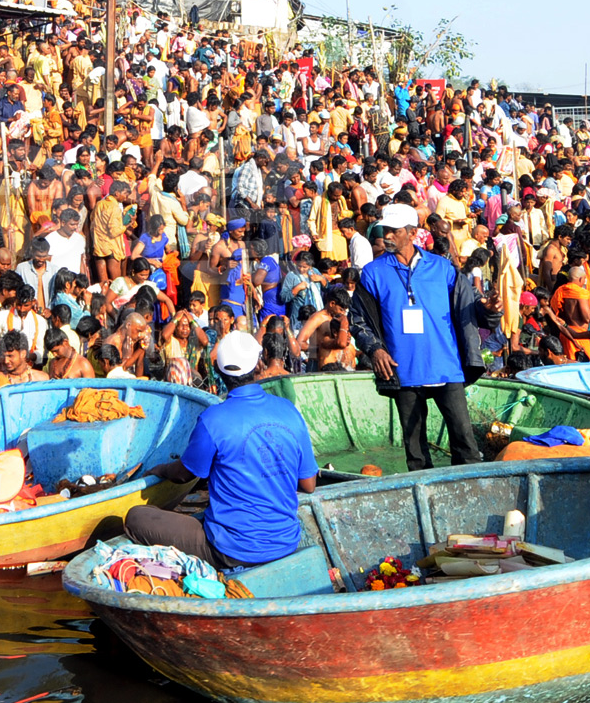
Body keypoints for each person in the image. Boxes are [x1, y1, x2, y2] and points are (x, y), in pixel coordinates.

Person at [124, 331, 318, 568]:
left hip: (231, 550)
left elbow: (184, 474)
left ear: (217, 368)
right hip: (286, 542)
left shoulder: (213, 419)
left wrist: (161, 470)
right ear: (259, 364)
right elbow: (308, 484)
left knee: (136, 517)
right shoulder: (289, 410)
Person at [350, 203, 502, 471]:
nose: (387, 235)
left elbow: (470, 304)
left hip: (446, 366)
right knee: (416, 453)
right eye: (385, 230)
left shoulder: (442, 268)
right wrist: (375, 349)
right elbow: (357, 320)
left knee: (465, 445)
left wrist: (487, 309)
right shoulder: (373, 273)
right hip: (403, 371)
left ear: (412, 232)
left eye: (394, 231)